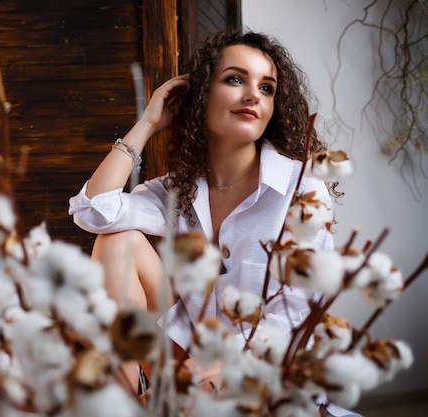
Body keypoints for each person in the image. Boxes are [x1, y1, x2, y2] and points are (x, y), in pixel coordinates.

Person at [68, 28, 356, 417]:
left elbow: (297, 313)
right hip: (188, 359)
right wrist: (148, 123)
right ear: (201, 97)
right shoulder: (178, 190)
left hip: (265, 370)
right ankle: (126, 397)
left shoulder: (300, 185)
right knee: (116, 240)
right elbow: (93, 211)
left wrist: (218, 367)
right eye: (235, 79)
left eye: (267, 87)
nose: (254, 95)